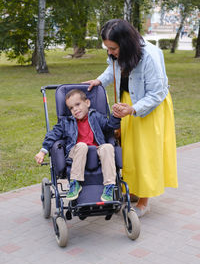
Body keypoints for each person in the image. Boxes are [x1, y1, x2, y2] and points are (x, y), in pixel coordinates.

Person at [83, 19, 178, 217]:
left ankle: (144, 200)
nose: (110, 52)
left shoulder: (150, 56)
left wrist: (133, 109)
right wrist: (99, 80)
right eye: (107, 48)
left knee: (145, 152)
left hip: (147, 107)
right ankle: (133, 189)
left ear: (125, 44)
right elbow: (113, 69)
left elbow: (157, 93)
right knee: (128, 150)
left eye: (113, 48)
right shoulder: (117, 53)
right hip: (128, 104)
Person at [35, 89, 121, 202]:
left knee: (108, 147)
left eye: (77, 104)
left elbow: (109, 127)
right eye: (71, 108)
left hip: (96, 151)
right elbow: (53, 134)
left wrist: (115, 116)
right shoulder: (66, 122)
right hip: (76, 151)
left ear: (87, 103)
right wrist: (43, 151)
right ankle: (75, 183)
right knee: (81, 145)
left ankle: (109, 185)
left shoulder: (96, 116)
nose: (75, 109)